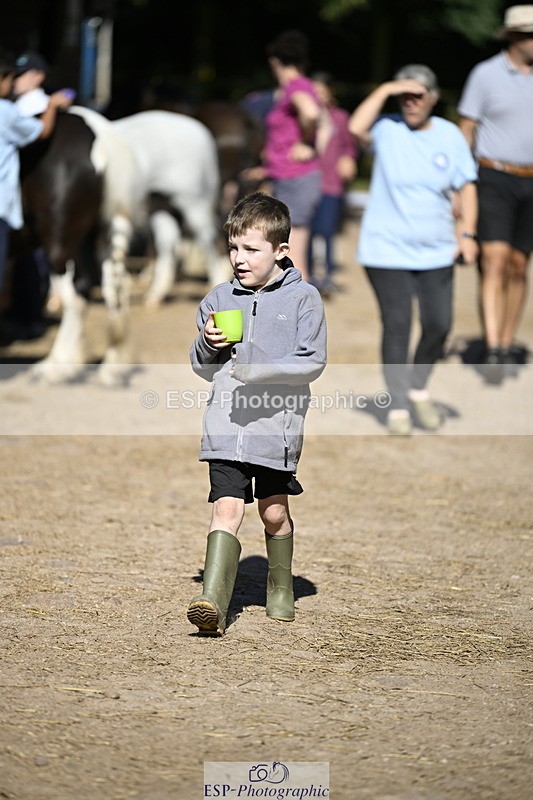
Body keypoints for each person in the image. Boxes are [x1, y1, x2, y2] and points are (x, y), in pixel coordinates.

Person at [187, 191, 327, 635]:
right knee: (226, 509)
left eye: (251, 249)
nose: (238, 258)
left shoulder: (304, 299)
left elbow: (312, 362)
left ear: (281, 251)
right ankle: (213, 600)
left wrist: (254, 365)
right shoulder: (218, 297)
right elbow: (201, 367)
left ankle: (280, 585)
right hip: (225, 423)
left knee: (272, 513)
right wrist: (209, 345)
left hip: (276, 427)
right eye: (233, 247)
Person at [348, 64, 478, 436]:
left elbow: (466, 185)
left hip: (437, 249)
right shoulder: (386, 128)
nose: (410, 101)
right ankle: (399, 404)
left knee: (439, 325)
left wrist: (467, 233)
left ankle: (418, 389)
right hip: (385, 249)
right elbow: (355, 128)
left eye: (418, 94)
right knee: (398, 325)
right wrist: (386, 86)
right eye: (404, 95)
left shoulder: (450, 135)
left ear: (434, 99)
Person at [457, 5, 533, 382]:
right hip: (493, 175)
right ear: (515, 37)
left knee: (520, 265)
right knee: (496, 258)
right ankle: (493, 347)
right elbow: (466, 127)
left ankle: (506, 339)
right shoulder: (485, 74)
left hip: (532, 181)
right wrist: (459, 182)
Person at [241, 30, 322, 283]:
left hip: (297, 178)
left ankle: (305, 316)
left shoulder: (296, 86)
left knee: (294, 258)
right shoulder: (299, 87)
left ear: (276, 62)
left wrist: (305, 141)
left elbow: (310, 113)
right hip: (287, 176)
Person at [0, 48, 73, 303]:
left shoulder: (14, 107)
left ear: (38, 76)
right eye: (12, 76)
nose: (15, 81)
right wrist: (53, 105)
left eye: (21, 75)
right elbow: (41, 131)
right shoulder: (9, 110)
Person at [308, 71, 359, 297]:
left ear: (330, 93)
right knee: (307, 231)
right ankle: (308, 274)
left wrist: (349, 159)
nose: (318, 95)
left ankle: (327, 275)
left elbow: (349, 145)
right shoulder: (305, 117)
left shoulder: (340, 118)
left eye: (321, 91)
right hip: (308, 183)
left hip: (331, 184)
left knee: (327, 231)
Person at [12, 51, 50, 116]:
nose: (15, 79)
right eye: (15, 75)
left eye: (21, 74)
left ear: (39, 76)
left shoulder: (44, 106)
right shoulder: (15, 103)